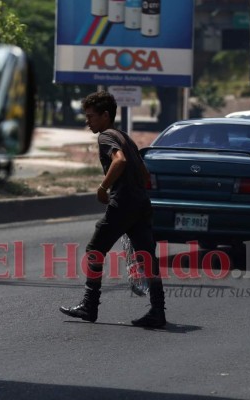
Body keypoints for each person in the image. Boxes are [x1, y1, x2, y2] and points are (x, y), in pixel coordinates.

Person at [59, 91, 166, 328]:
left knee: (95, 249)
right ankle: (158, 311)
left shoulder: (107, 136)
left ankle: (90, 305)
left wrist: (103, 187)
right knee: (147, 257)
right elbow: (145, 174)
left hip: (123, 203)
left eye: (91, 116)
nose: (87, 122)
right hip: (141, 203)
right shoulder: (125, 137)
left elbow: (120, 161)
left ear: (105, 116)